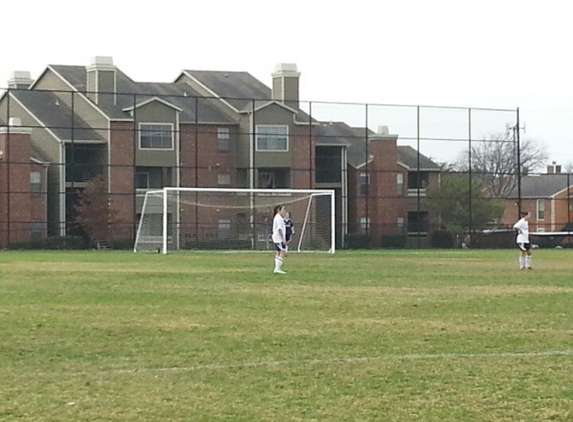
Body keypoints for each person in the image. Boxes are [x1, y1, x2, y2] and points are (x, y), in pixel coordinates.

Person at [271, 205, 288, 274]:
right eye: (283, 209)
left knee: (278, 252)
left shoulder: (279, 218)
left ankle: (277, 268)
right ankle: (277, 269)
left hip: (277, 238)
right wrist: (283, 239)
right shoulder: (278, 218)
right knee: (282, 252)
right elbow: (279, 229)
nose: (284, 211)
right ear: (279, 210)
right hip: (278, 239)